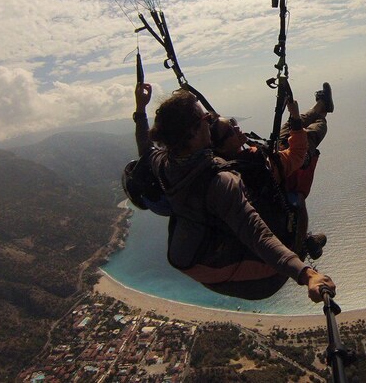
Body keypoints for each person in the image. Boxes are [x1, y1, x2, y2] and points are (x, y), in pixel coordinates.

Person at [132, 85, 335, 302]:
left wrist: (141, 110)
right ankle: (301, 244)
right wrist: (307, 275)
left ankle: (321, 107)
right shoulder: (219, 183)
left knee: (291, 136)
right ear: (191, 134)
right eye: (203, 118)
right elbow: (258, 235)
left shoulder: (165, 163)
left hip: (208, 266)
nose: (208, 117)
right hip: (259, 279)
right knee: (296, 200)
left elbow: (145, 151)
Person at [208, 83, 334, 258]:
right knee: (318, 126)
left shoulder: (228, 160)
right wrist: (296, 116)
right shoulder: (255, 166)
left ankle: (321, 104)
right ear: (220, 147)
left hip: (275, 150)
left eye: (233, 123)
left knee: (290, 124)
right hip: (286, 157)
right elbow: (297, 154)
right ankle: (323, 110)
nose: (236, 128)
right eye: (230, 131)